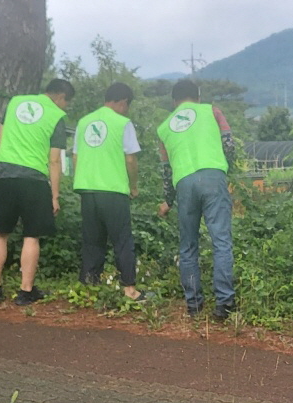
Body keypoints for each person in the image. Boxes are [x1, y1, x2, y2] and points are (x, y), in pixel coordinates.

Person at [0, 79, 74, 306]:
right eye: (67, 102)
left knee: (0, 232)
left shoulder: (15, 102)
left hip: (4, 174)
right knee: (31, 235)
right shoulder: (56, 116)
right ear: (61, 97)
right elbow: (54, 160)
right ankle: (25, 291)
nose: (65, 107)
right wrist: (55, 195)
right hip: (33, 178)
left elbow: (0, 139)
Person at [156, 79, 235, 319]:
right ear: (197, 96)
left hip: (184, 184)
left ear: (174, 100)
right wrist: (225, 171)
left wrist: (168, 200)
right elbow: (228, 145)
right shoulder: (212, 111)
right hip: (213, 176)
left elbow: (165, 169)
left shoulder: (164, 127)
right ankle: (224, 304)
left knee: (188, 246)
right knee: (221, 241)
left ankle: (194, 305)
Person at [72, 82, 148, 300]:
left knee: (92, 241)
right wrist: (133, 186)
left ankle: (89, 287)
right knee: (122, 240)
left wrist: (85, 178)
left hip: (87, 190)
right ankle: (129, 290)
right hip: (113, 190)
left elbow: (75, 156)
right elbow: (131, 159)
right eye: (128, 105)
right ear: (123, 102)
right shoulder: (123, 123)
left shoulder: (84, 122)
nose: (127, 110)